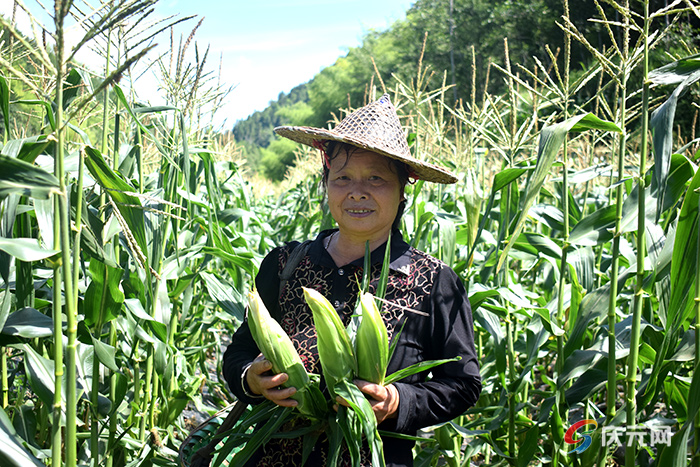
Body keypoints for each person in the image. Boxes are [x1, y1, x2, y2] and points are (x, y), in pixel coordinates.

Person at [223, 93, 481, 466]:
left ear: (402, 189)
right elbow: (239, 353)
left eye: (375, 178)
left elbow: (463, 383)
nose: (357, 191)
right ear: (326, 184)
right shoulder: (284, 264)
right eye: (342, 178)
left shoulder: (433, 281)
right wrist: (251, 379)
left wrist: (397, 401)